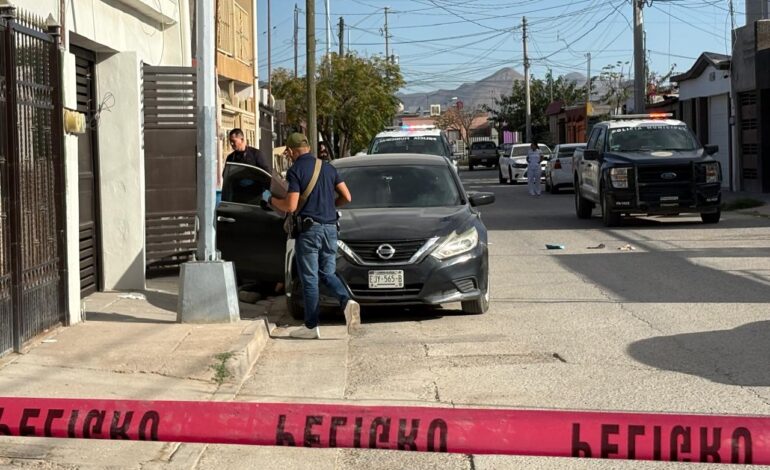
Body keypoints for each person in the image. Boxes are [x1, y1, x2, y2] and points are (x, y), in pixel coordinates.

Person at [264, 133, 360, 339]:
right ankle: (347, 300)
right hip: (331, 228)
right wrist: (329, 207)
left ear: (291, 151)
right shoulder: (327, 167)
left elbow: (290, 205)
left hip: (309, 231)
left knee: (310, 278)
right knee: (328, 273)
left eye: (288, 152)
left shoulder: (295, 170)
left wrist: (271, 200)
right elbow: (347, 196)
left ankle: (311, 327)